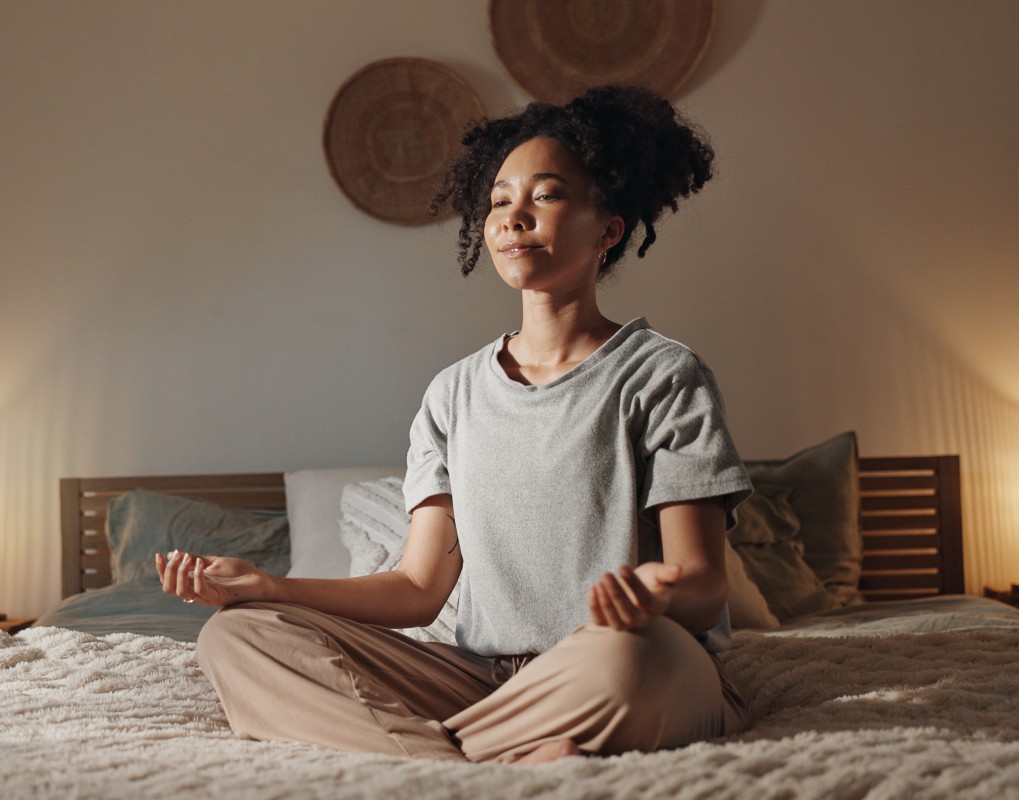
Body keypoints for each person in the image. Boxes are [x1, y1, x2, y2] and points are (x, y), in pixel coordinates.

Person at [156, 84, 753, 766]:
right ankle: (470, 762)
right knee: (237, 638)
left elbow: (704, 588)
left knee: (636, 661)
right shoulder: (452, 395)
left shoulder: (663, 375)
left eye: (546, 195)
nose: (512, 217)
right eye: (499, 200)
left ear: (608, 230)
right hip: (480, 682)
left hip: (617, 663)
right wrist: (266, 586)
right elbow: (419, 588)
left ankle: (437, 759)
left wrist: (659, 592)